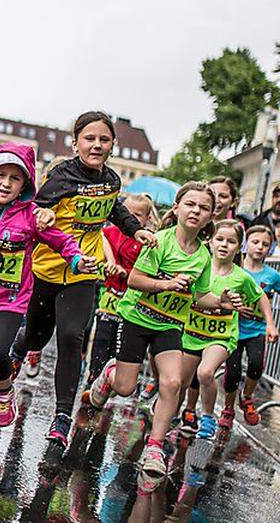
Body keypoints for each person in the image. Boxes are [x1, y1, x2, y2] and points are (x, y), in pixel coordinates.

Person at [9, 111, 156, 453]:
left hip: (84, 270)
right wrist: (42, 215)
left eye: (103, 139)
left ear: (112, 145)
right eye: (89, 138)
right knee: (37, 335)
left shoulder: (112, 181)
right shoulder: (61, 176)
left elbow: (115, 211)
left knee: (72, 337)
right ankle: (19, 349)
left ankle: (62, 418)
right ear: (75, 143)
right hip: (48, 267)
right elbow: (34, 209)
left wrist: (137, 230)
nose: (96, 145)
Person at [84, 182, 241, 493]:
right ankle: (109, 375)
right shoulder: (159, 242)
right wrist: (167, 285)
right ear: (177, 208)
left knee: (172, 383)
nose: (196, 211)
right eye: (191, 204)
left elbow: (199, 296)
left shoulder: (204, 257)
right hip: (137, 317)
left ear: (210, 216)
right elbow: (135, 279)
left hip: (170, 325)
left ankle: (154, 448)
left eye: (204, 208)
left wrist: (221, 302)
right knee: (126, 388)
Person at [0, 143, 96, 432]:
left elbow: (62, 241)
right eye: (0, 175)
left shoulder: (32, 216)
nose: (6, 183)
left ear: (25, 184)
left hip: (9, 300)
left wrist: (76, 259)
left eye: (15, 178)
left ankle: (3, 390)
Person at [178, 221, 263, 440]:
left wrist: (268, 322)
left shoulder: (241, 277)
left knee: (206, 372)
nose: (224, 245)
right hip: (192, 333)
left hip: (221, 337)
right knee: (180, 382)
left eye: (231, 241)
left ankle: (207, 417)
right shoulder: (198, 266)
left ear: (239, 247)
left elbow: (260, 296)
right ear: (211, 241)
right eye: (220, 239)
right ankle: (170, 415)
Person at [87, 193, 158, 384]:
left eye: (138, 215)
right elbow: (99, 236)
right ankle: (92, 379)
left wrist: (125, 272)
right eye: (127, 213)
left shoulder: (147, 242)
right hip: (108, 296)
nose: (132, 218)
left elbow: (146, 272)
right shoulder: (110, 232)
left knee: (118, 347)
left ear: (147, 218)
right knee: (100, 340)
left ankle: (111, 381)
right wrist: (109, 262)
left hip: (131, 301)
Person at [223, 225, 280, 429]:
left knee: (257, 364)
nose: (260, 247)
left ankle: (246, 397)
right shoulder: (235, 269)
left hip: (256, 329)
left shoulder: (272, 276)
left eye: (265, 244)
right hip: (233, 329)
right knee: (233, 371)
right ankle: (228, 409)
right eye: (255, 242)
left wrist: (271, 324)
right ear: (246, 244)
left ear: (270, 248)